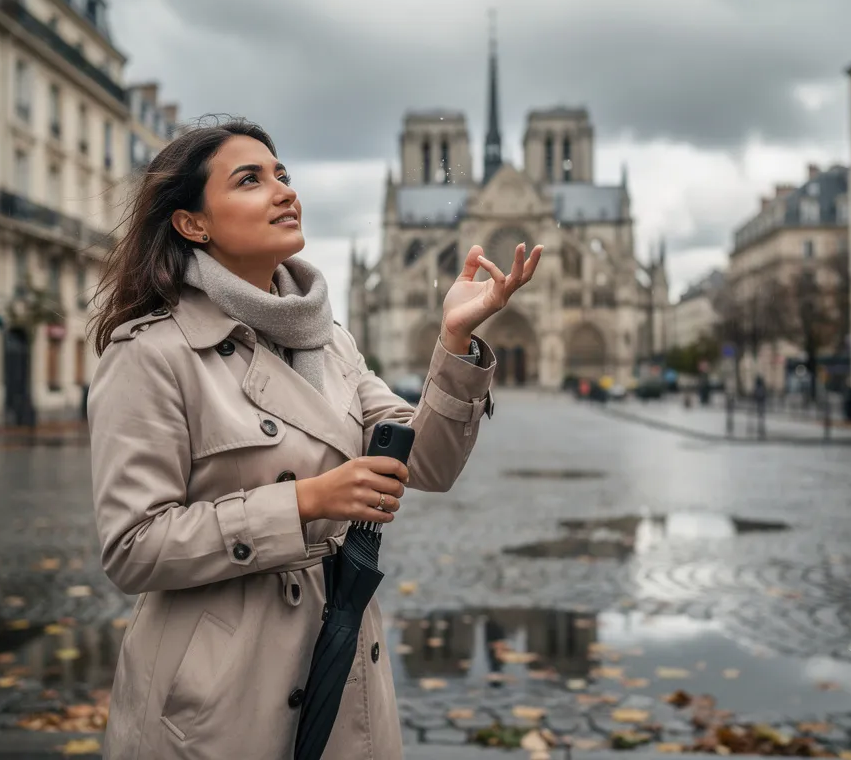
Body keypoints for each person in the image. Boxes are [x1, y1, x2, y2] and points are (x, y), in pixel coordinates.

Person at [85, 116, 542, 760]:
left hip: (337, 657)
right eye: (250, 180)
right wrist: (306, 501)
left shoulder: (330, 341)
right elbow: (134, 548)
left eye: (283, 175)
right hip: (219, 688)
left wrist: (454, 341)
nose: (282, 191)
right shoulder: (152, 353)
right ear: (193, 223)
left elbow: (430, 461)